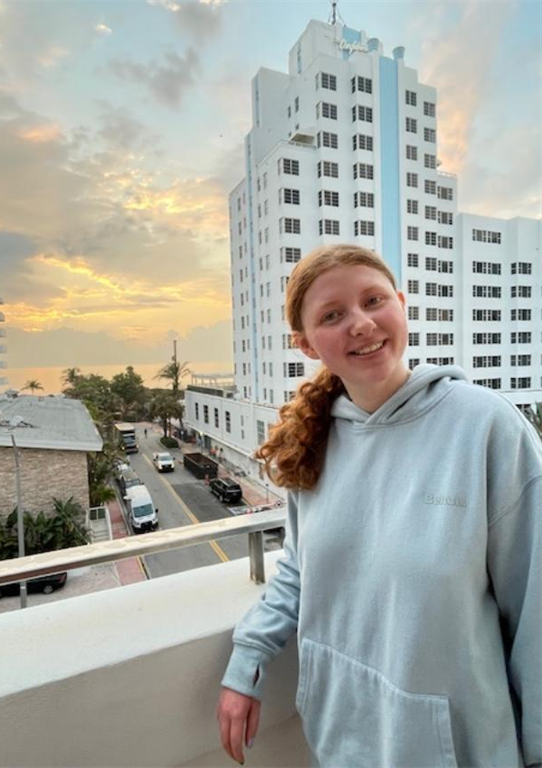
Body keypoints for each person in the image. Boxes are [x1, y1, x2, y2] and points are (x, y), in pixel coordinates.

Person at [217, 244, 542, 768]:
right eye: (332, 315)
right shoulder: (314, 443)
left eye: (373, 300)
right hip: (341, 738)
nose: (362, 323)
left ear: (402, 303)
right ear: (305, 344)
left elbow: (535, 608)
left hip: (460, 749)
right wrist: (248, 660)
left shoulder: (486, 428)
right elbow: (300, 572)